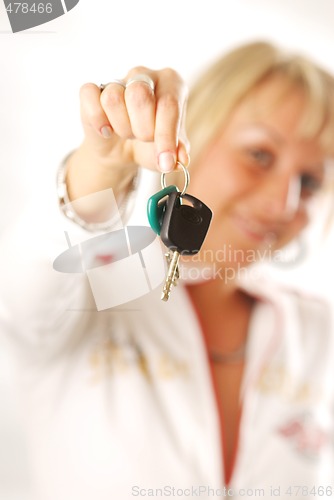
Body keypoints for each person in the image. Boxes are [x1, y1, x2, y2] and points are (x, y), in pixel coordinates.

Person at [1, 40, 334, 500]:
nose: (284, 202)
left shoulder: (318, 332)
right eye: (259, 154)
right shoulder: (87, 295)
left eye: (311, 180)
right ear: (192, 137)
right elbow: (25, 288)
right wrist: (97, 171)